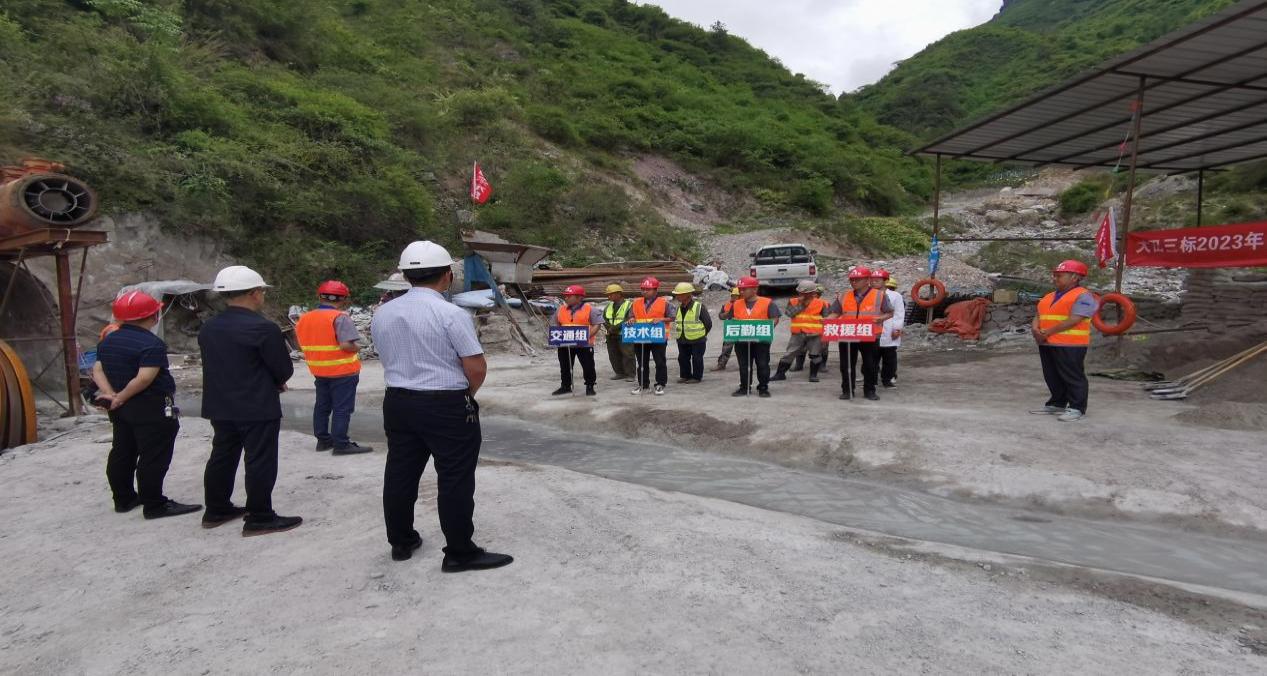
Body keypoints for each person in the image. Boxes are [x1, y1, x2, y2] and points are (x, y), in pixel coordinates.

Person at [372, 240, 512, 570]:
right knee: (454, 476)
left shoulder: (384, 313)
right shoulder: (450, 314)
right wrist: (465, 396)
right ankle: (460, 552)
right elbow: (475, 367)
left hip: (397, 401)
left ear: (406, 276)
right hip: (445, 403)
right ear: (448, 275)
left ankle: (401, 541)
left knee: (400, 472)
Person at [199, 265, 302, 536]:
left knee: (222, 455)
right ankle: (260, 516)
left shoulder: (209, 327)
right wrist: (276, 382)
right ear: (255, 293)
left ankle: (216, 509)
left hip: (220, 404)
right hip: (256, 405)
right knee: (259, 460)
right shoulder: (263, 328)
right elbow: (282, 369)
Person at [92, 290, 201, 519]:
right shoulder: (151, 344)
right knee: (154, 455)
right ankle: (154, 504)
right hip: (150, 406)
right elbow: (144, 378)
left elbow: (97, 369)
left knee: (123, 451)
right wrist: (121, 396)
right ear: (153, 316)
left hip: (120, 409)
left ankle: (123, 499)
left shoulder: (108, 340)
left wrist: (111, 395)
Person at [296, 280, 373, 455]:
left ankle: (323, 440)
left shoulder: (305, 318)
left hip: (319, 370)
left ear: (320, 297)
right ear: (343, 299)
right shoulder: (340, 317)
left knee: (322, 406)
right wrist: (358, 347)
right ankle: (341, 444)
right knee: (342, 408)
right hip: (342, 371)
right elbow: (346, 345)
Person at [1032, 259, 1097, 422]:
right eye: (1055, 275)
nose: (1055, 278)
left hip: (1071, 344)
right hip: (1047, 342)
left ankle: (1077, 407)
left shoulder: (1083, 296)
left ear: (1074, 277)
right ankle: (1057, 403)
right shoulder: (1049, 296)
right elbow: (1038, 315)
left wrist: (1046, 332)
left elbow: (1075, 319)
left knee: (1072, 376)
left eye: (1059, 275)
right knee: (1052, 375)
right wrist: (1035, 330)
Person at [826, 266, 892, 401]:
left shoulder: (879, 295)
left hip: (869, 334)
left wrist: (880, 318)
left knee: (870, 364)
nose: (854, 282)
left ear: (867, 280)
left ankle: (870, 390)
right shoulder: (844, 296)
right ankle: (847, 390)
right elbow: (835, 313)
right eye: (852, 280)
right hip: (848, 333)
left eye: (857, 279)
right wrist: (827, 321)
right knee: (846, 364)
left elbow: (890, 312)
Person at [729, 276, 780, 398]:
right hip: (741, 340)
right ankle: (744, 387)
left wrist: (762, 329)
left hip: (761, 340)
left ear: (755, 289)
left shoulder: (768, 303)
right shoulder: (736, 304)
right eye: (740, 289)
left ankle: (763, 387)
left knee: (762, 364)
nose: (741, 292)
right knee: (744, 365)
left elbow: (774, 319)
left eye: (744, 289)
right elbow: (731, 319)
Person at [772, 279, 827, 383]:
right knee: (789, 354)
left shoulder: (821, 303)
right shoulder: (793, 301)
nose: (801, 294)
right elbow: (789, 314)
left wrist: (825, 336)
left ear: (812, 293)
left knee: (815, 354)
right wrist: (801, 304)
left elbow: (827, 318)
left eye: (804, 293)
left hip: (815, 334)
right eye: (800, 292)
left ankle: (813, 375)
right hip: (797, 334)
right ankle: (780, 374)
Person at [552, 284, 601, 396]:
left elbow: (597, 324)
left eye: (569, 296)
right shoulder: (560, 309)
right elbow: (556, 324)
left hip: (584, 344)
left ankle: (590, 386)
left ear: (579, 297)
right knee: (565, 366)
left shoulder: (590, 309)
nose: (566, 298)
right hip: (565, 343)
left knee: (588, 366)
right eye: (565, 296)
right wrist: (559, 337)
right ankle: (565, 386)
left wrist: (586, 336)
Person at [629, 276, 674, 396]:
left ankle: (660, 384)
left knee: (660, 362)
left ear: (655, 290)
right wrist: (631, 319)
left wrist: (661, 319)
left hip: (657, 336)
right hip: (641, 336)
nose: (644, 291)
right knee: (642, 362)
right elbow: (631, 315)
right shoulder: (636, 303)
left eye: (647, 289)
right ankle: (643, 385)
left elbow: (673, 317)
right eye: (643, 289)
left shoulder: (664, 303)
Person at [672, 282, 712, 383]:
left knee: (697, 358)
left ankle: (696, 377)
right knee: (682, 358)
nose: (676, 296)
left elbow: (708, 323)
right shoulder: (679, 308)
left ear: (687, 295)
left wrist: (701, 334)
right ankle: (685, 375)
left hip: (697, 339)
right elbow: (677, 322)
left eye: (679, 294)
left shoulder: (699, 307)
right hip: (682, 339)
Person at [875, 271, 905, 388]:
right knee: (871, 357)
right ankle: (871, 379)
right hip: (872, 331)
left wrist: (897, 329)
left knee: (889, 357)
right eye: (872, 280)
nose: (874, 282)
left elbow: (899, 313)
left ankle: (887, 379)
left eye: (877, 280)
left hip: (888, 330)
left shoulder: (895, 296)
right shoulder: (869, 295)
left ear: (885, 281)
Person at [602, 283, 636, 382]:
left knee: (628, 354)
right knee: (613, 354)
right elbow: (604, 319)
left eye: (611, 294)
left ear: (619, 294)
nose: (608, 296)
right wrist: (609, 328)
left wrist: (614, 328)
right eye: (608, 294)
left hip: (624, 333)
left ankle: (630, 374)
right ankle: (620, 373)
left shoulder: (629, 305)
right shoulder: (608, 306)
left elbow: (628, 319)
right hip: (611, 334)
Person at [711, 287, 740, 371]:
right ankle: (721, 364)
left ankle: (744, 364)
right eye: (733, 295)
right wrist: (727, 314)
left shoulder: (745, 305)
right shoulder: (727, 305)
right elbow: (720, 316)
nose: (734, 297)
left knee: (742, 349)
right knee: (726, 349)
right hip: (731, 329)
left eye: (736, 296)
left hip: (743, 329)